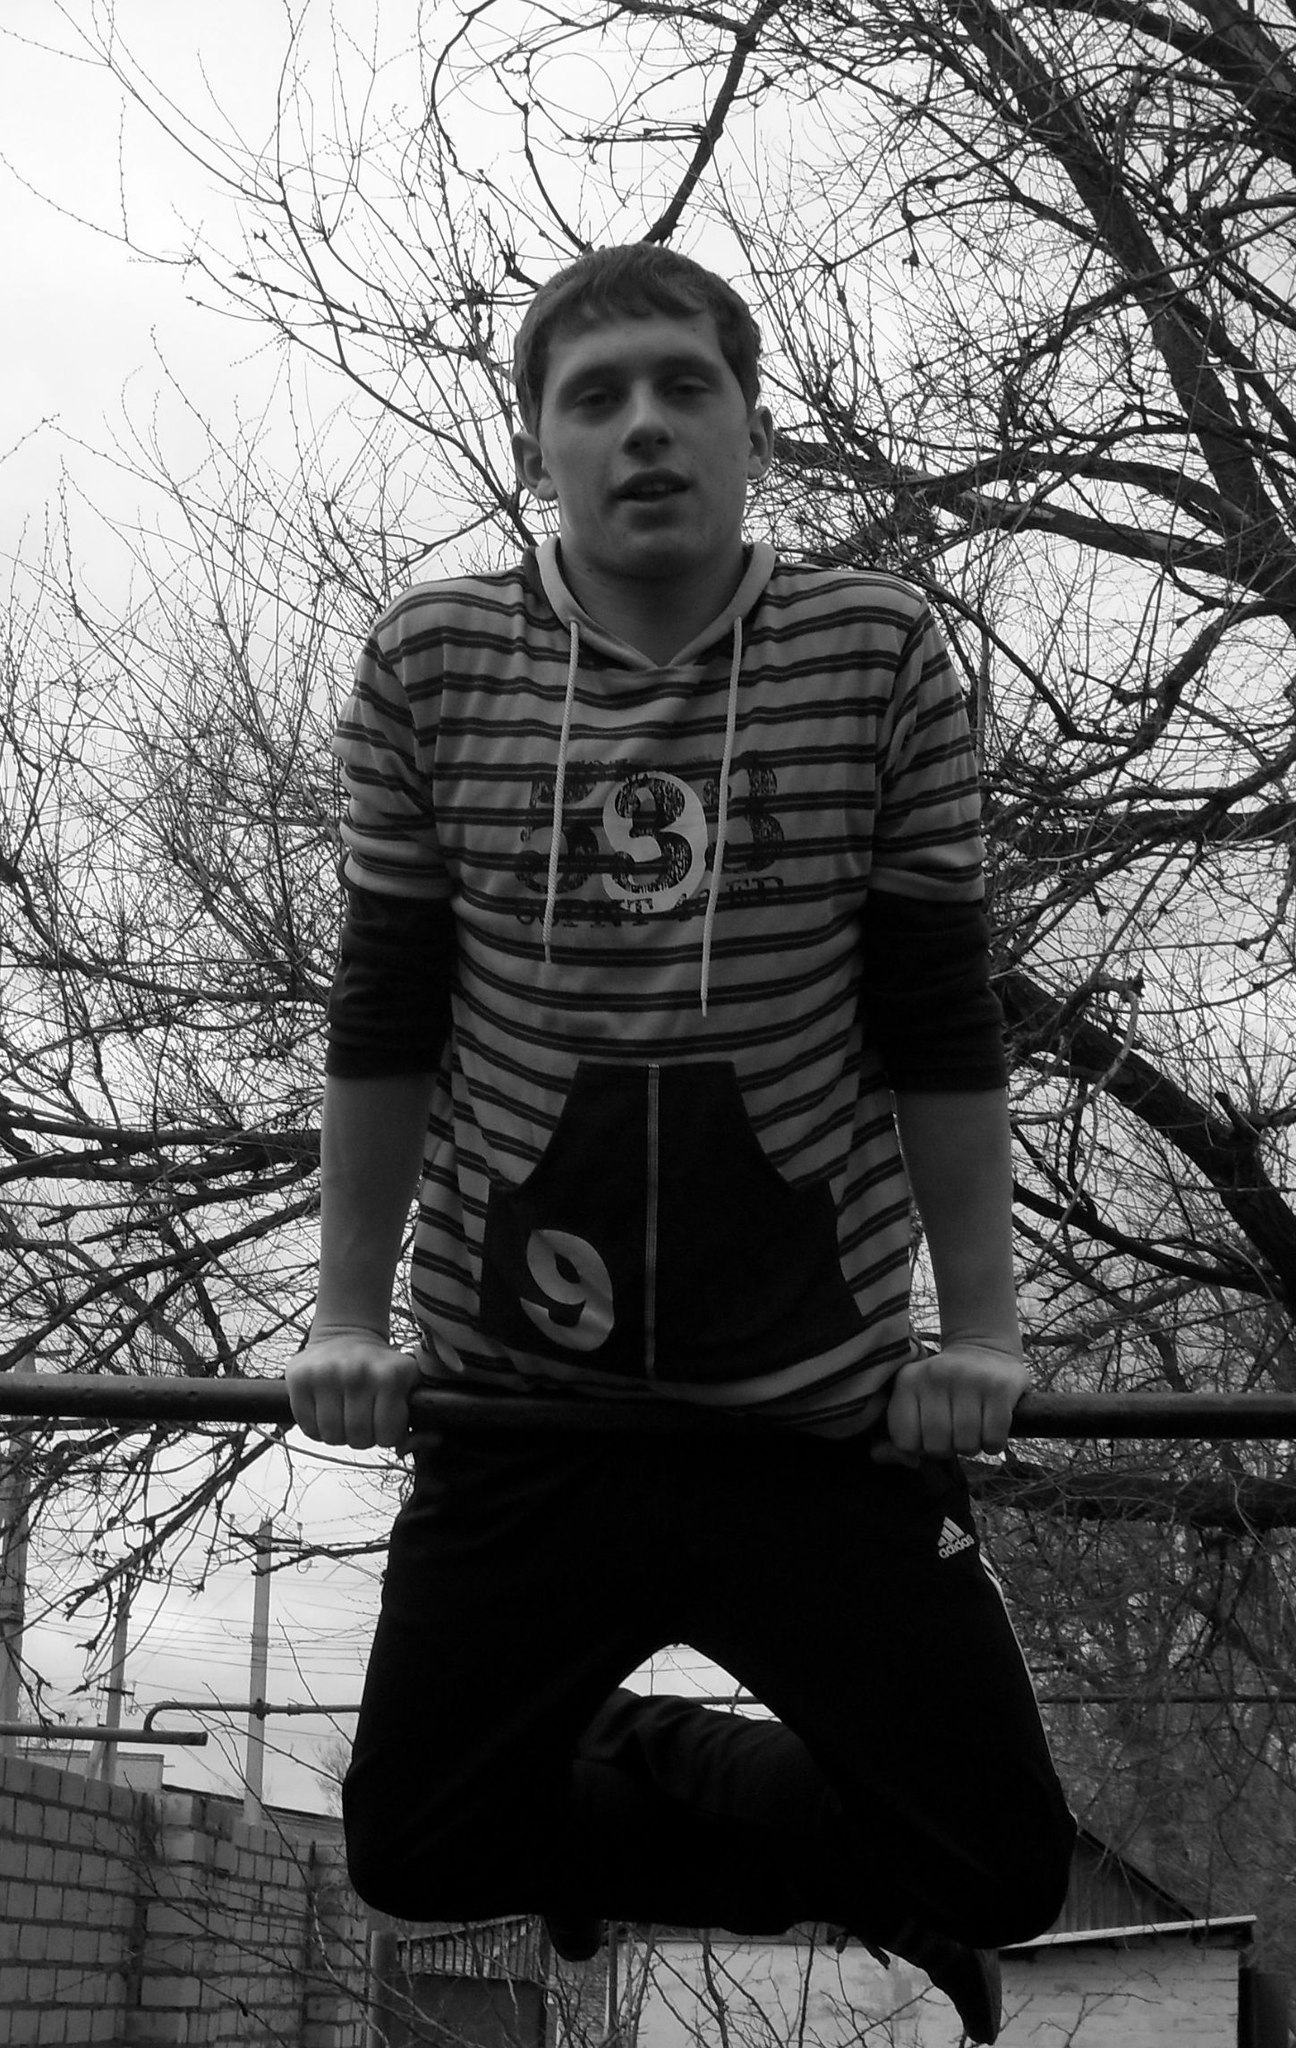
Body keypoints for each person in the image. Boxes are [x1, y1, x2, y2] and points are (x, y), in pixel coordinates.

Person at [288, 242, 1076, 2046]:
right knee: (417, 1845)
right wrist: (344, 1316)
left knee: (997, 1869)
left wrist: (982, 1334)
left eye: (682, 387)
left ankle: (644, 1770)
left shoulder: (877, 649)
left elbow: (938, 1013)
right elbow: (388, 1010)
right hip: (523, 1401)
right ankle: (622, 1781)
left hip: (810, 1402)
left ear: (752, 430)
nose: (642, 425)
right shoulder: (431, 660)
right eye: (596, 397)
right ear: (536, 449)